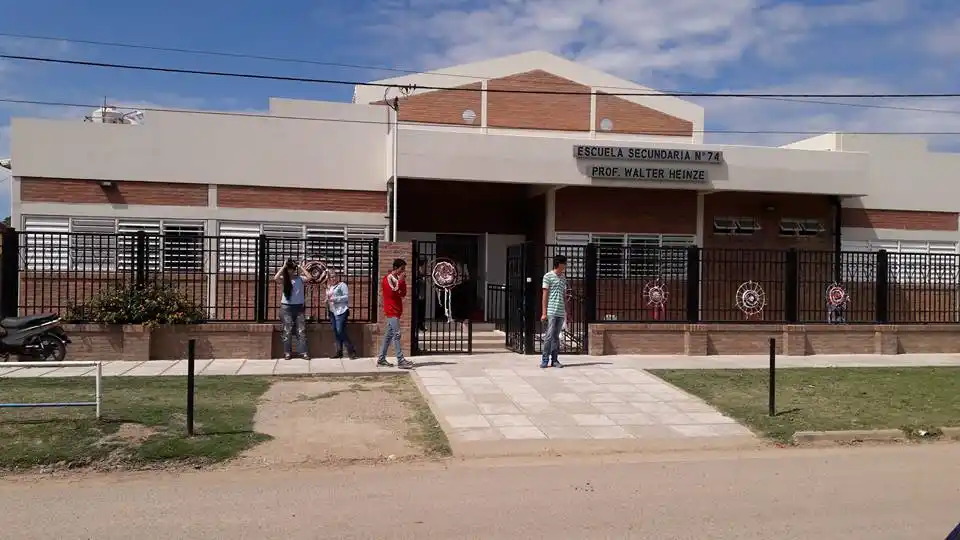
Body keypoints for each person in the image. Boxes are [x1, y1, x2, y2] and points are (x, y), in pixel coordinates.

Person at [378, 258, 414, 369]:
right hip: (391, 311)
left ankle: (381, 359)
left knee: (388, 336)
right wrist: (401, 281)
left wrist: (402, 281)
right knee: (397, 335)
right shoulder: (387, 279)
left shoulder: (398, 279)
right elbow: (393, 293)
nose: (403, 271)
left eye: (404, 269)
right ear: (395, 268)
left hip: (397, 311)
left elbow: (402, 293)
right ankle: (400, 359)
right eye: (401, 269)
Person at [274, 258, 311, 360]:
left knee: (301, 331)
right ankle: (287, 352)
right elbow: (275, 278)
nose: (291, 271)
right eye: (289, 269)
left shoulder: (300, 278)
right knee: (287, 330)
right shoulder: (284, 279)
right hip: (286, 308)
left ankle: (303, 352)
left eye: (292, 269)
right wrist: (283, 266)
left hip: (299, 307)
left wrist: (300, 267)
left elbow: (309, 277)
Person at [540, 254, 567, 369]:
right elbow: (544, 295)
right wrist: (544, 312)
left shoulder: (563, 278)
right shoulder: (548, 276)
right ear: (559, 264)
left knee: (556, 337)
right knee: (549, 336)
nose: (565, 266)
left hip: (560, 311)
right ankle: (545, 359)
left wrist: (566, 310)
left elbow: (564, 295)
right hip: (551, 311)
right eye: (564, 263)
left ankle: (555, 360)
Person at [326, 270, 357, 359]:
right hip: (332, 311)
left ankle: (351, 350)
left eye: (334, 276)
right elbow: (328, 297)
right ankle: (339, 352)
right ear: (329, 278)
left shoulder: (342, 285)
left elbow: (346, 297)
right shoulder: (329, 287)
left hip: (341, 311)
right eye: (331, 277)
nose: (333, 278)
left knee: (340, 331)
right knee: (336, 332)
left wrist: (335, 299)